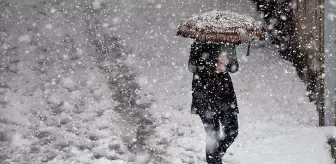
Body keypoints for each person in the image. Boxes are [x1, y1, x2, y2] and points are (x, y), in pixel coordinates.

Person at [188, 41, 239, 164]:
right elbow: (192, 66)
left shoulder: (228, 43)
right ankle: (214, 159)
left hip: (225, 95)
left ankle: (216, 155)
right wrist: (213, 64)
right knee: (213, 134)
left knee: (232, 130)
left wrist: (226, 65)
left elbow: (235, 67)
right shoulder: (199, 43)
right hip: (204, 95)